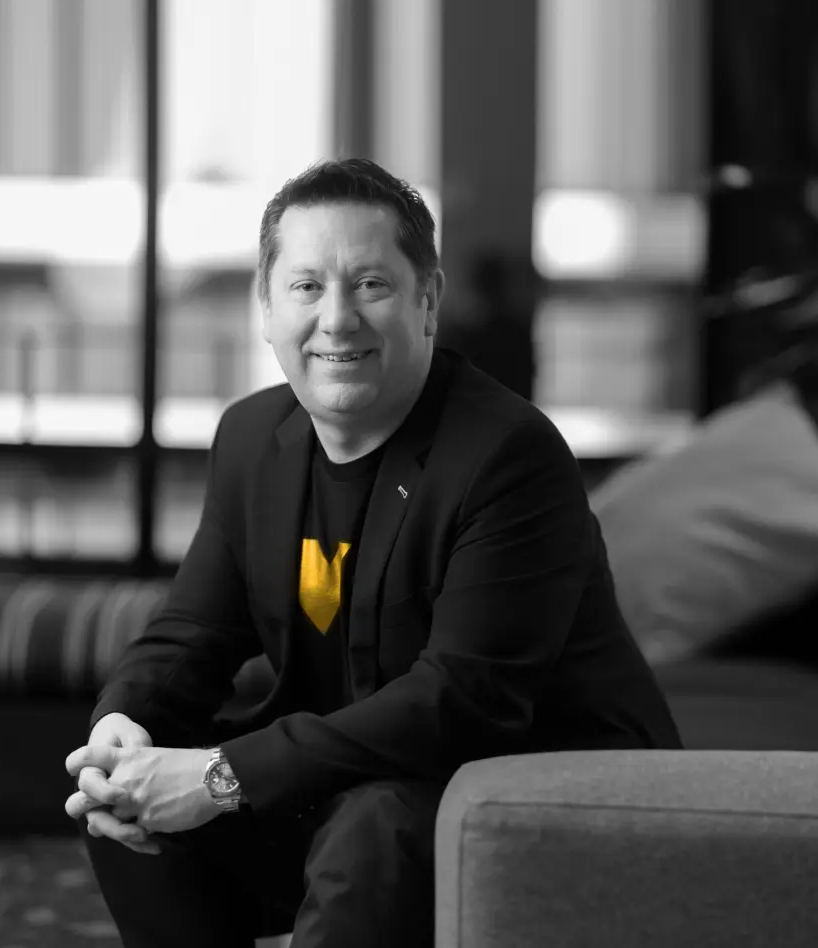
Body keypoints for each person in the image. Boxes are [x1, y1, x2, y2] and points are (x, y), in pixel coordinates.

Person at [64, 157, 681, 948]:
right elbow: (191, 632)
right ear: (265, 307)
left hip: (533, 783)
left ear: (427, 302)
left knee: (371, 827)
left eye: (370, 285)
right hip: (358, 774)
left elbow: (461, 701)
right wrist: (124, 726)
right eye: (305, 286)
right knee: (128, 803)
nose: (337, 319)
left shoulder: (507, 456)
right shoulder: (252, 438)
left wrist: (221, 776)